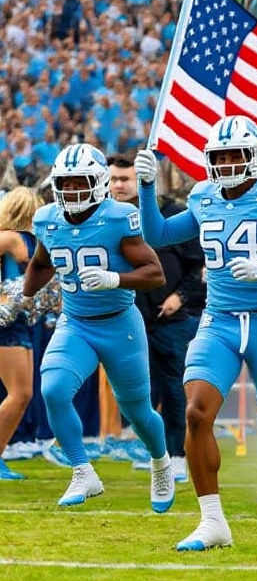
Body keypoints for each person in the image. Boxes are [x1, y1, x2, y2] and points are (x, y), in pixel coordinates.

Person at [135, 116, 257, 552]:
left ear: (256, 157)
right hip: (219, 319)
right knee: (196, 413)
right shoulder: (203, 194)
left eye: (233, 155)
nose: (225, 163)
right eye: (218, 156)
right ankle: (212, 522)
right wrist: (147, 189)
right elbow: (159, 234)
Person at [22, 145, 173, 509]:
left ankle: (161, 461)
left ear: (99, 182)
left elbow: (155, 274)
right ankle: (82, 470)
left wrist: (113, 278)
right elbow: (43, 260)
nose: (72, 189)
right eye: (65, 182)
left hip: (120, 325)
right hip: (75, 323)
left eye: (80, 181)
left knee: (137, 412)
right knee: (54, 388)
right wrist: (27, 290)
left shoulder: (119, 216)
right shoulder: (47, 218)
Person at [108, 153, 204, 485]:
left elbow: (198, 266)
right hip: (131, 319)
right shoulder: (110, 219)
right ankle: (156, 453)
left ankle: (178, 455)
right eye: (113, 180)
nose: (118, 186)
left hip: (174, 319)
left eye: (125, 179)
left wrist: (181, 296)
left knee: (175, 388)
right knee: (140, 390)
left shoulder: (173, 215)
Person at [0, 188, 40, 480]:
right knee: (19, 393)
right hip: (6, 321)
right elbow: (29, 260)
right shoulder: (12, 237)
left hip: (21, 318)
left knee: (23, 394)